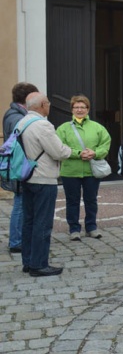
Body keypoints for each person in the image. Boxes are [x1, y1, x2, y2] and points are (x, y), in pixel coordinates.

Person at [19, 92, 71, 276]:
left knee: (29, 221)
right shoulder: (42, 124)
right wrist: (71, 150)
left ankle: (28, 261)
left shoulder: (22, 122)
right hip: (43, 177)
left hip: (26, 176)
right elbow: (58, 151)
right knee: (42, 222)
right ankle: (39, 264)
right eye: (48, 103)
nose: (49, 106)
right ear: (42, 105)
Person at [56, 95, 112, 240]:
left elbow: (105, 144)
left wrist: (95, 153)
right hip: (70, 171)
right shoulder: (63, 129)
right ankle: (74, 229)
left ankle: (91, 227)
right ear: (72, 110)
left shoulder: (97, 127)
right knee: (72, 201)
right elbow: (59, 147)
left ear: (88, 109)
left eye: (82, 107)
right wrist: (78, 154)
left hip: (91, 171)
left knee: (91, 200)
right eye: (76, 107)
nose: (79, 110)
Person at [3, 81, 38, 254]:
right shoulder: (17, 116)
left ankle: (18, 239)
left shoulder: (14, 113)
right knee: (20, 203)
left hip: (18, 165)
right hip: (20, 166)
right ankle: (16, 241)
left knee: (21, 202)